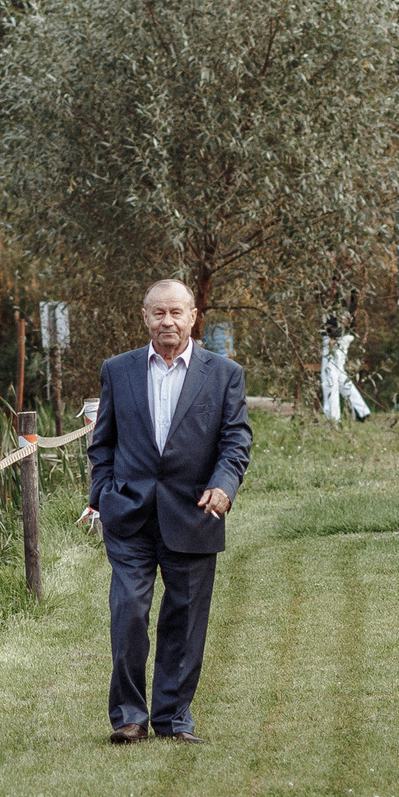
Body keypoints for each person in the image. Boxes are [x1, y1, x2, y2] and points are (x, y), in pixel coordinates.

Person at [86, 279, 253, 743]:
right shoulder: (117, 370)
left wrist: (223, 486)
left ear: (193, 317)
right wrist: (102, 494)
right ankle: (129, 718)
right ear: (145, 318)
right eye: (158, 313)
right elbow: (102, 443)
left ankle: (173, 719)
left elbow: (236, 439)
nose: (168, 322)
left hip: (194, 513)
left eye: (176, 312)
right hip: (129, 514)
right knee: (129, 612)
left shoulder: (224, 373)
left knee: (184, 619)